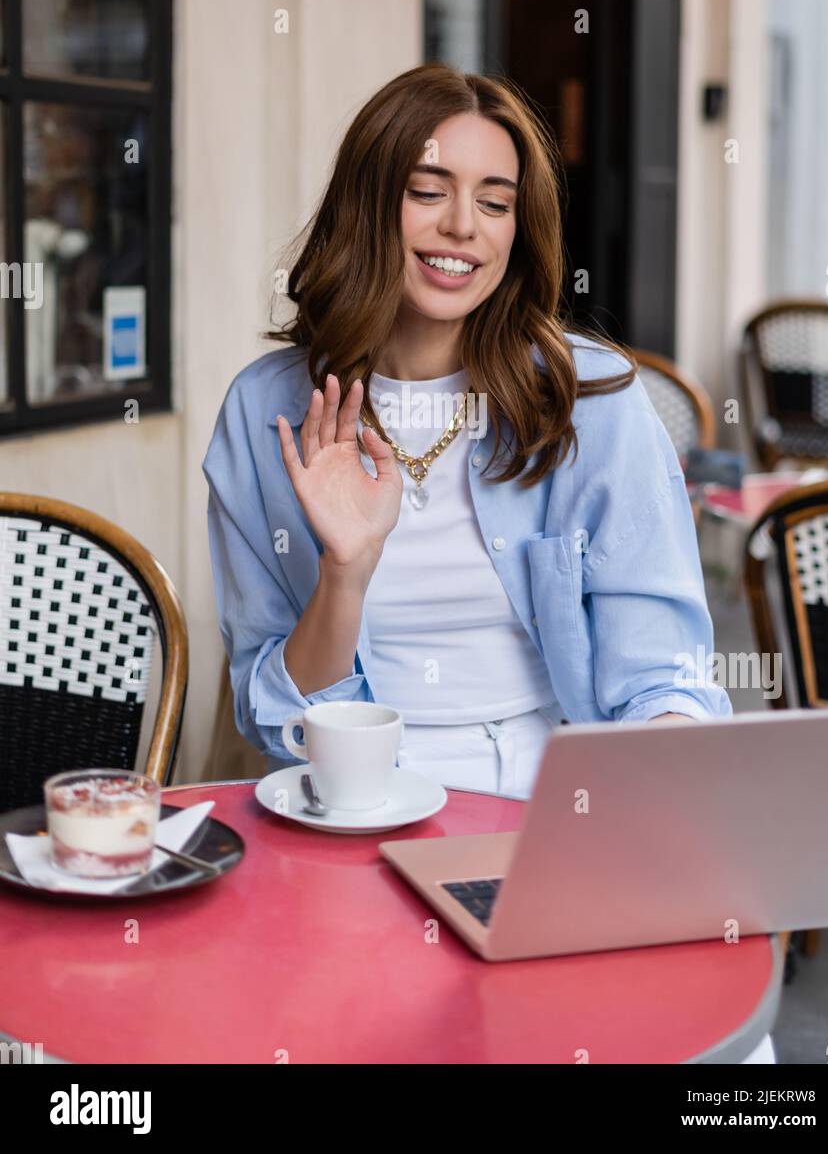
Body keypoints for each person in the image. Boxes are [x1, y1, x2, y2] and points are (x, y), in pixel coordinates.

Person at [203, 63, 732, 803]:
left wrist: (659, 793)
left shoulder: (590, 400)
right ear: (368, 203)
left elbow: (660, 673)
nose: (462, 226)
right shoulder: (268, 415)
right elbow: (277, 718)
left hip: (549, 797)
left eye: (495, 202)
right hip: (349, 799)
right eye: (427, 191)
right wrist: (344, 573)